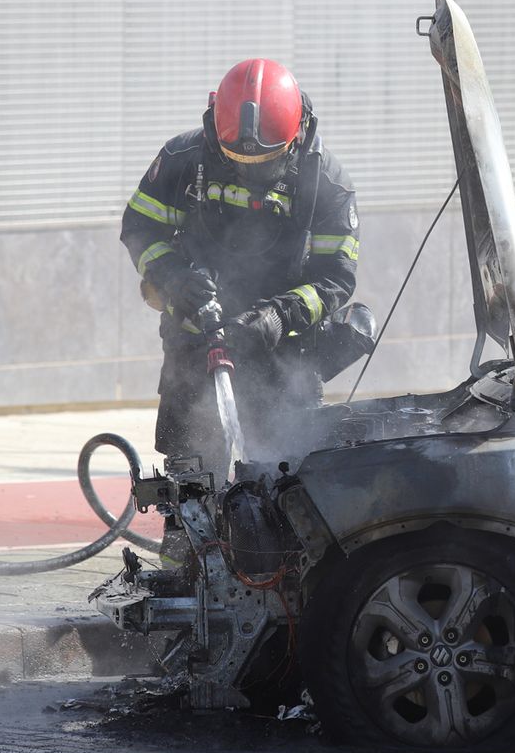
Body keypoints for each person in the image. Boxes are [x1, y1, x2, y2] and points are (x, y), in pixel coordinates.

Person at [120, 58, 375, 475]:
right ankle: (191, 539)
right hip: (194, 344)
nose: (248, 172)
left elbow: (336, 278)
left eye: (264, 163)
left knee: (285, 474)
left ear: (294, 139)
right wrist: (173, 278)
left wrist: (278, 315)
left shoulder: (327, 185)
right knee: (192, 477)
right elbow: (140, 227)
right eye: (236, 160)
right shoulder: (182, 160)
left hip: (283, 353)